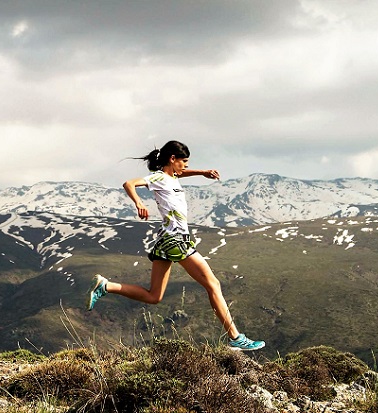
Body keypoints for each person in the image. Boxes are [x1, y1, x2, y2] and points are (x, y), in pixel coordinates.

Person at [86, 140, 265, 351]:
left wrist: (202, 173)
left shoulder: (171, 177)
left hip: (166, 239)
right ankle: (236, 338)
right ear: (172, 159)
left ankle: (106, 286)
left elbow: (179, 174)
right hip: (176, 239)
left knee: (154, 296)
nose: (186, 166)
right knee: (213, 285)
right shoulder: (159, 177)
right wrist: (139, 203)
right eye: (184, 162)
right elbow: (129, 183)